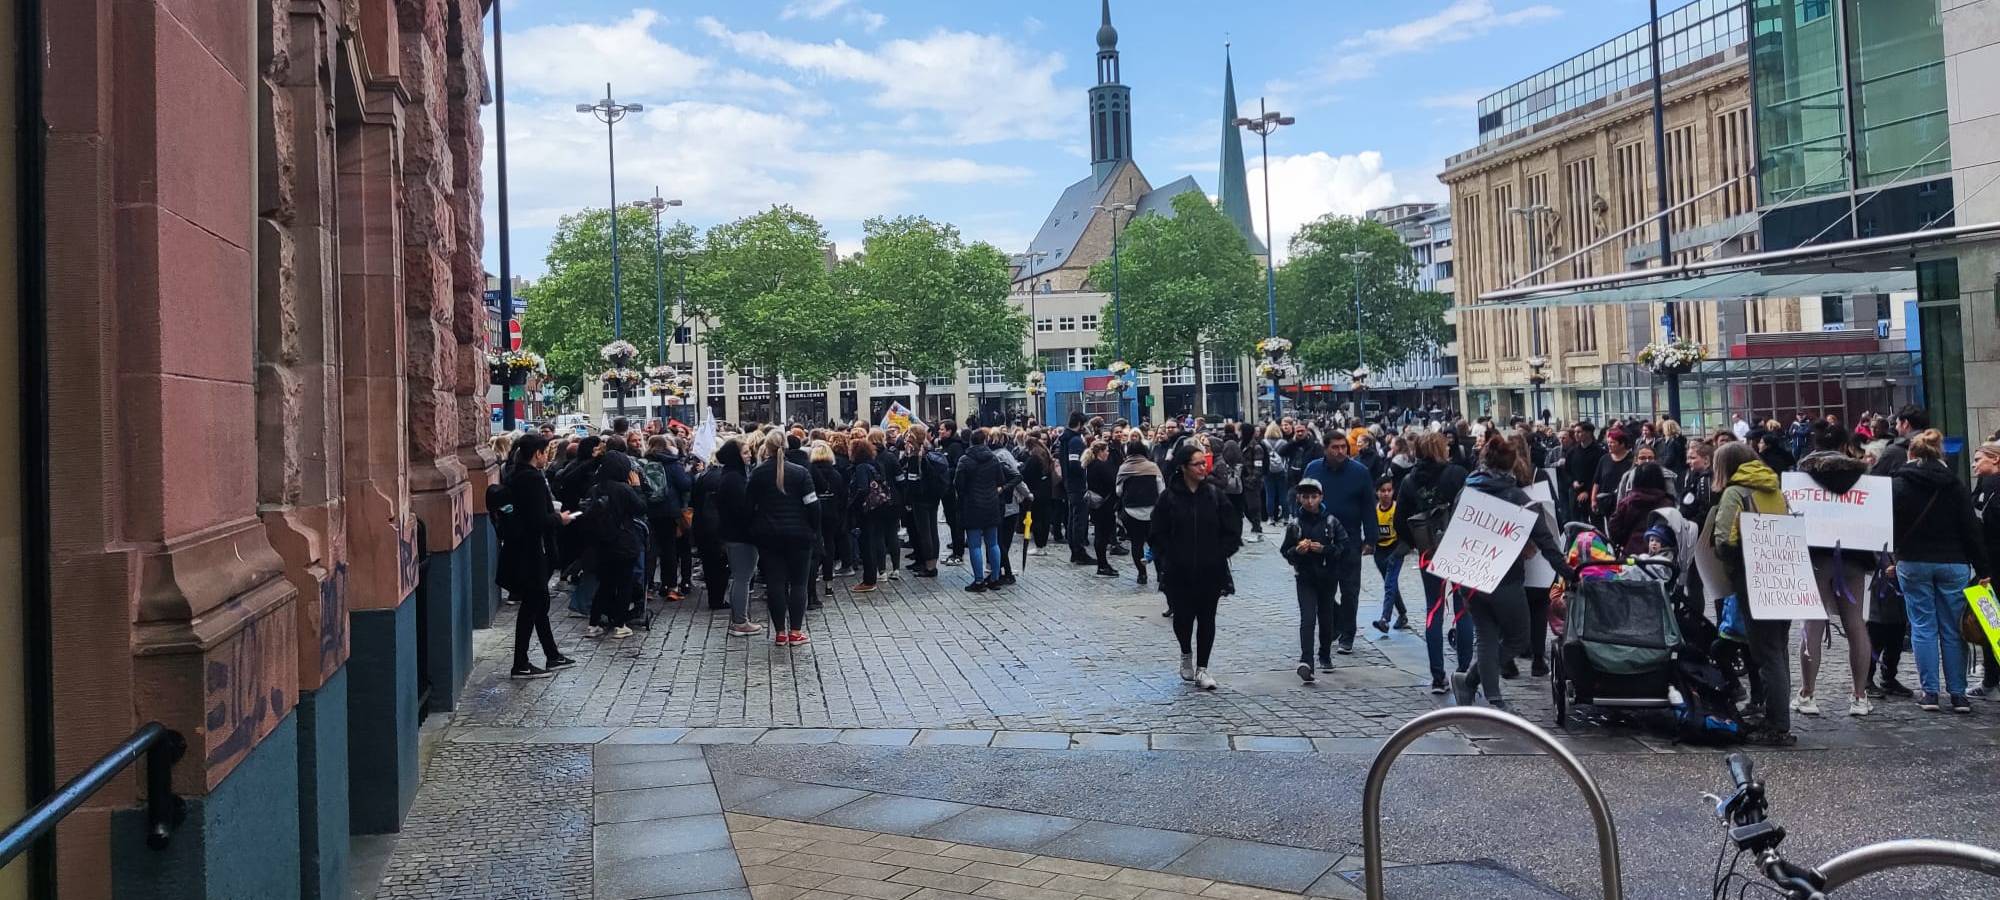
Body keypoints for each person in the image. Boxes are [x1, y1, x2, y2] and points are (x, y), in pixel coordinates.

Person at [1451, 437, 1573, 711]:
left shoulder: (1467, 492)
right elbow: (1546, 542)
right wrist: (1568, 572)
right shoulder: (1519, 498)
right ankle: (1477, 686)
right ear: (1512, 465)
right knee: (1519, 637)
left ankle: (1482, 691)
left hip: (1470, 576)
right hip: (1505, 578)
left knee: (1486, 635)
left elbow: (1453, 533)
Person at [1891, 428, 1989, 713]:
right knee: (1953, 629)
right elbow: (1970, 529)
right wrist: (1983, 568)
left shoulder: (1899, 484)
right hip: (1953, 561)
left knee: (1922, 626)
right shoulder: (1955, 484)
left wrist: (1891, 557)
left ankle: (1930, 693)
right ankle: (1958, 694)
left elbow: (1889, 524)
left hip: (1913, 560)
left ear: (1911, 453)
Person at [1708, 441, 1796, 745]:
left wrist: (1727, 564)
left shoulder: (1735, 493)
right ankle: (1778, 716)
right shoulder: (1774, 488)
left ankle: (1777, 723)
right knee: (1779, 649)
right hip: (1783, 575)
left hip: (1752, 577)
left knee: (1766, 652)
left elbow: (1723, 541)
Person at [1792, 425, 1876, 716]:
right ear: (1844, 445)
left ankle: (1808, 694)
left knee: (1812, 622)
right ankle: (1860, 696)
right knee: (1855, 622)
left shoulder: (1802, 475)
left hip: (1815, 554)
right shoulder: (1863, 475)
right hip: (1853, 552)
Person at [1153, 441, 1243, 690]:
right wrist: (1168, 555)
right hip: (1178, 571)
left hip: (1210, 571)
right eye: (1198, 464)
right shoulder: (1169, 498)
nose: (1203, 467)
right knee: (1182, 619)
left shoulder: (1214, 495)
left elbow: (1232, 529)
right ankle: (1185, 653)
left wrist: (1219, 553)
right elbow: (1157, 532)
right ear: (1183, 467)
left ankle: (1203, 668)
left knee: (1207, 618)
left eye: (1205, 462)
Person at [496, 434, 576, 678]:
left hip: (523, 550)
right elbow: (537, 520)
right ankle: (521, 662)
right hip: (531, 552)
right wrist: (559, 518)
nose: (547, 456)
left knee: (539, 603)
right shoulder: (531, 478)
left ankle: (551, 654)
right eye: (545, 452)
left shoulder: (515, 474)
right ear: (537, 454)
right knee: (533, 605)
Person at [1397, 431, 1471, 694]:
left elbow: (1400, 521)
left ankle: (1437, 675)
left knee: (1434, 609)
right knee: (1463, 609)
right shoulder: (1457, 474)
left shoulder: (1409, 481)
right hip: (1460, 548)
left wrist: (1417, 544)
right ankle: (1464, 672)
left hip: (1429, 549)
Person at [1301, 433, 1377, 655]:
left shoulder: (1359, 472)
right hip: (1319, 540)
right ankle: (1336, 623)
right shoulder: (1313, 470)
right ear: (1325, 449)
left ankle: (1347, 634)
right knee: (1323, 589)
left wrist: (1370, 538)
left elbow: (1367, 507)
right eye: (1335, 447)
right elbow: (1303, 500)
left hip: (1350, 539)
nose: (1340, 451)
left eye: (1344, 447)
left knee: (1350, 589)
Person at [748, 431, 820, 646]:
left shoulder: (758, 473)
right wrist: (814, 530)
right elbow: (813, 504)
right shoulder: (800, 473)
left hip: (769, 536)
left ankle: (780, 632)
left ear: (766, 448)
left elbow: (748, 505)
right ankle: (796, 631)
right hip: (799, 535)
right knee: (799, 583)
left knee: (775, 584)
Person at [1282, 478, 1351, 683]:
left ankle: (1324, 654)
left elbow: (1344, 547)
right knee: (1308, 617)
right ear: (1299, 498)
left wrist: (1325, 550)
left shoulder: (1331, 521)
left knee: (1326, 615)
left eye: (1313, 497)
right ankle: (1306, 661)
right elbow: (1286, 551)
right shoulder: (1295, 524)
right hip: (1305, 577)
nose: (1310, 501)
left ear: (1321, 497)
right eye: (1305, 497)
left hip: (1328, 577)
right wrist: (1297, 550)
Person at [578, 450, 648, 640]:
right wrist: (637, 487)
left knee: (605, 584)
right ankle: (620, 624)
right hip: (624, 541)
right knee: (624, 583)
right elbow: (641, 508)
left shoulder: (596, 488)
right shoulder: (623, 489)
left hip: (601, 543)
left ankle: (593, 624)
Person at [707, 439, 763, 635]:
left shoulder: (732, 476)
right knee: (742, 577)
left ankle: (739, 618)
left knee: (741, 577)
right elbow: (742, 508)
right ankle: (740, 621)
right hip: (740, 535)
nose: (749, 456)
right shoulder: (734, 479)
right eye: (745, 453)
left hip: (734, 533)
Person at [953, 428, 1017, 593]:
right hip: (991, 504)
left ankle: (979, 580)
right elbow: (1001, 480)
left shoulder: (965, 460)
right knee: (993, 543)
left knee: (975, 545)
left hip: (972, 505)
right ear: (985, 441)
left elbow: (958, 484)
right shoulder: (993, 459)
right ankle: (995, 578)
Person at [1970, 442, 2000, 699]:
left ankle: (1992, 680)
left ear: (1996, 460)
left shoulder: (1990, 488)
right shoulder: (1985, 487)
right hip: (1990, 564)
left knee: (1992, 625)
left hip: (1991, 566)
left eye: (1979, 459)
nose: (1974, 464)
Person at [1116, 438, 1164, 586]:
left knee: (1137, 544)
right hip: (1152, 511)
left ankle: (1142, 574)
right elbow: (1161, 489)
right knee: (1155, 543)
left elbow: (1118, 491)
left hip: (1131, 512)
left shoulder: (1124, 468)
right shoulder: (1152, 467)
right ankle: (1160, 573)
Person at [808, 441, 849, 604]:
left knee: (816, 547)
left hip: (815, 514)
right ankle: (828, 582)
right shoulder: (835, 474)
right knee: (830, 545)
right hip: (832, 514)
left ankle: (813, 579)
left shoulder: (809, 473)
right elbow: (842, 496)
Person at [1608, 462, 1674, 555]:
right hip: (1660, 556)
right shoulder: (1668, 503)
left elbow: (1614, 528)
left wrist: (1625, 541)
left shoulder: (1628, 502)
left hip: (1631, 553)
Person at [1368, 476, 1407, 634]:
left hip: (1395, 549)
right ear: (1377, 493)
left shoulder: (1397, 509)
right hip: (1380, 551)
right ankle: (1403, 614)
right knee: (1391, 584)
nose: (1386, 494)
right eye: (1382, 491)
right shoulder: (1374, 511)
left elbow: (1404, 530)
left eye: (1389, 490)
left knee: (1389, 584)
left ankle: (1385, 619)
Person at [1085, 440, 1121, 577]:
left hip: (1097, 505)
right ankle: (1102, 564)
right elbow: (1112, 482)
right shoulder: (1100, 466)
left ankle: (1103, 564)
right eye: (1106, 451)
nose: (1107, 453)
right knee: (1102, 535)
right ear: (1100, 452)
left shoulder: (1091, 465)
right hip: (1104, 505)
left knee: (1101, 534)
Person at [1061, 412, 1093, 565]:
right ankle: (1079, 551)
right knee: (1079, 519)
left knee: (1072, 517)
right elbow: (1075, 464)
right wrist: (1085, 466)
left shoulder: (1065, 439)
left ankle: (1075, 551)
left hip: (1069, 483)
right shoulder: (1075, 441)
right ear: (1080, 423)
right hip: (1077, 485)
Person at [1590, 429, 1633, 527]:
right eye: (1608, 442)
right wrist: (1593, 499)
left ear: (1622, 444)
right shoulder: (1604, 459)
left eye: (1612, 442)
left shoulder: (1631, 460)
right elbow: (1597, 481)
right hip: (1606, 503)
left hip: (1625, 502)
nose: (1609, 445)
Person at [1239, 423, 1268, 539]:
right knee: (1246, 508)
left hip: (1252, 483)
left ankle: (1257, 528)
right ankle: (1255, 526)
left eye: (1241, 431)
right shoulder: (1241, 444)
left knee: (1253, 507)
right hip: (1242, 482)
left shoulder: (1256, 447)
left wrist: (1251, 480)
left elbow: (1258, 467)